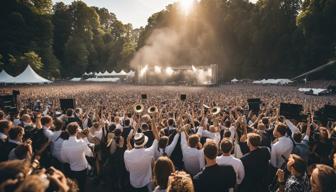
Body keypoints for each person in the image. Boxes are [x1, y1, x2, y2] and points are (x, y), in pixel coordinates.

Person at [124, 118, 159, 192]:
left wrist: (128, 140)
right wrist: (152, 121)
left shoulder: (126, 154)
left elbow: (127, 169)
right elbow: (157, 137)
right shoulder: (149, 151)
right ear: (144, 142)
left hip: (133, 183)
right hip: (146, 183)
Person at [61, 122, 93, 192]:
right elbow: (90, 154)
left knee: (74, 186)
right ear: (77, 131)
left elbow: (63, 159)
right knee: (82, 185)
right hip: (82, 168)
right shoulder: (81, 142)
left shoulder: (64, 143)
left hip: (72, 168)